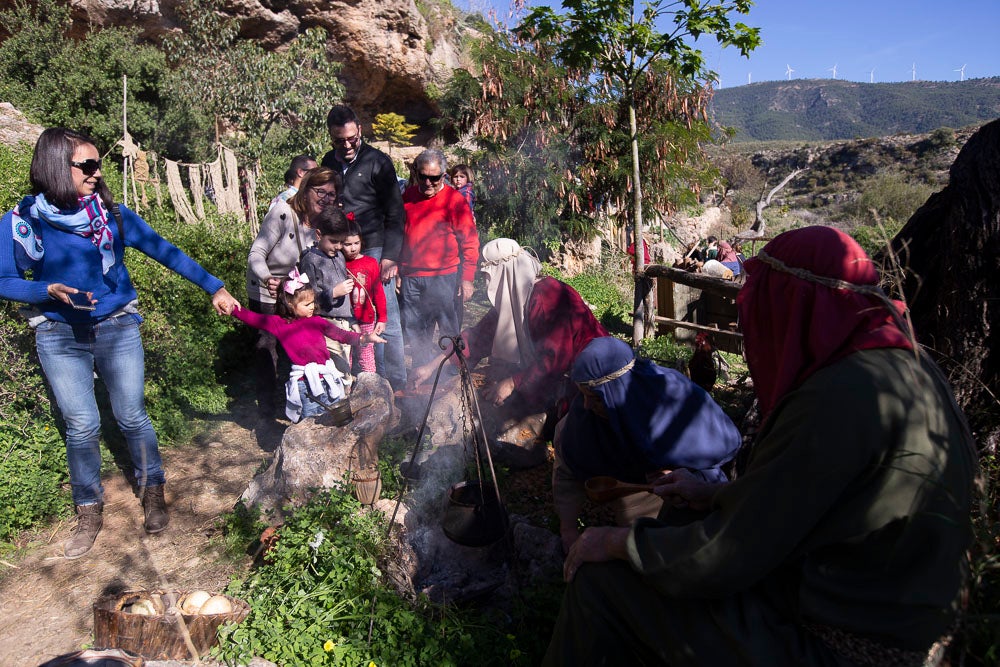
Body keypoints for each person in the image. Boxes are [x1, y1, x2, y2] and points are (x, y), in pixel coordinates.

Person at [545, 226, 977, 666]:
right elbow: (815, 500)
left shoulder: (837, 400)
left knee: (601, 583)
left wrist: (619, 544)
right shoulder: (905, 367)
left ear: (792, 309)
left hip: (847, 646)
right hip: (890, 614)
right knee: (678, 516)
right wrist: (715, 494)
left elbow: (727, 556)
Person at [0, 128, 239, 559]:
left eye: (97, 165)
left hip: (116, 326)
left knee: (131, 415)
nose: (96, 173)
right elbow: (4, 280)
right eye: (86, 166)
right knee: (82, 426)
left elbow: (163, 249)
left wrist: (214, 287)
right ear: (56, 166)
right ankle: (88, 511)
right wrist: (45, 291)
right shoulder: (22, 221)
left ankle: (152, 491)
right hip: (58, 334)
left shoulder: (111, 214)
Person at [553, 337, 741, 552]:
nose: (586, 405)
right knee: (563, 430)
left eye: (595, 397)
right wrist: (568, 531)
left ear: (618, 390)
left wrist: (685, 475)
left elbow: (717, 453)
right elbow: (566, 467)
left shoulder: (674, 399)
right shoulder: (583, 418)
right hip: (628, 484)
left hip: (669, 492)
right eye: (583, 395)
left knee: (659, 548)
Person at [411, 238, 607, 422]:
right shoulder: (511, 305)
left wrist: (512, 383)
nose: (487, 284)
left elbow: (554, 359)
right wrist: (433, 366)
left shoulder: (549, 298)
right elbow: (476, 339)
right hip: (561, 378)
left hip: (593, 380)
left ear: (505, 272)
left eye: (489, 276)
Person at [321, 105, 407, 390]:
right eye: (339, 140)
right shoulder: (327, 162)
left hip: (374, 248)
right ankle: (364, 377)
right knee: (353, 315)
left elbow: (396, 212)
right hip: (339, 251)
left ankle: (396, 381)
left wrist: (391, 257)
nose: (346, 145)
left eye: (351, 139)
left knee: (385, 315)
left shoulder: (377, 161)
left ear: (359, 130)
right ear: (331, 137)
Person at [231, 269, 385, 423]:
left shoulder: (317, 322)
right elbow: (253, 318)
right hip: (304, 384)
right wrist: (232, 308)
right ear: (291, 304)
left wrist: (365, 337)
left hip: (327, 379)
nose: (312, 306)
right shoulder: (280, 324)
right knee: (310, 422)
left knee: (334, 421)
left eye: (312, 302)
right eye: (307, 304)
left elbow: (342, 335)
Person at [245, 167, 338, 419]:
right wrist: (268, 278)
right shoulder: (283, 213)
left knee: (298, 350)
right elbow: (256, 253)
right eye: (320, 192)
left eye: (331, 194)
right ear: (306, 189)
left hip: (299, 298)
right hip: (269, 293)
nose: (326, 199)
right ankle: (267, 413)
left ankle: (297, 405)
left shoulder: (320, 222)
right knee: (269, 351)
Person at [401, 149, 480, 367]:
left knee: (447, 328)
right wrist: (399, 269)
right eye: (422, 176)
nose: (427, 182)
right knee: (416, 329)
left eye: (434, 178)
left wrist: (467, 278)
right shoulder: (408, 196)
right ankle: (421, 372)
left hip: (444, 276)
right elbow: (401, 235)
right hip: (411, 277)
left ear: (443, 176)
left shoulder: (455, 201)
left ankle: (453, 371)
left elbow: (470, 242)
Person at [298, 205, 356, 378]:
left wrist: (352, 320)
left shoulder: (338, 256)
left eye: (341, 242)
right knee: (334, 371)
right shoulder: (310, 260)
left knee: (346, 370)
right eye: (333, 241)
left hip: (343, 322)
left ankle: (344, 401)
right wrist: (333, 293)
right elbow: (308, 299)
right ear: (318, 235)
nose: (338, 246)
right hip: (325, 324)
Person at [342, 219, 386, 374]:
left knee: (366, 356)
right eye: (347, 244)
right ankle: (346, 390)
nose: (353, 248)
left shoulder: (370, 263)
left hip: (366, 318)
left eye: (356, 243)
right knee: (345, 356)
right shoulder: (339, 263)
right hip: (345, 319)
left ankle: (371, 389)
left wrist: (382, 318)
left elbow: (378, 292)